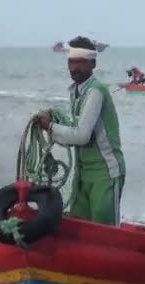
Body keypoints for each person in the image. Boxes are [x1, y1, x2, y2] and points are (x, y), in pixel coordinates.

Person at [34, 36, 126, 227]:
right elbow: (73, 125)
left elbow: (81, 136)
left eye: (81, 62)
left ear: (93, 63)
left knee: (104, 232)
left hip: (105, 173)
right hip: (83, 173)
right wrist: (54, 117)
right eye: (71, 62)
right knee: (80, 225)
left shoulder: (96, 91)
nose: (75, 67)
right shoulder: (75, 91)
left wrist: (50, 127)